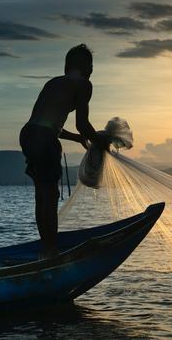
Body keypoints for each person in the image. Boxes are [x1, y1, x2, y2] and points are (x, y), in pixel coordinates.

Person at [19, 44, 107, 259]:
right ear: (87, 67)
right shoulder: (84, 85)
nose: (92, 70)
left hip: (29, 135)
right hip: (44, 138)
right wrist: (100, 141)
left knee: (43, 194)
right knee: (50, 195)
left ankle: (47, 248)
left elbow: (47, 123)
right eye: (91, 66)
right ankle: (51, 251)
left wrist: (76, 139)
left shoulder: (54, 82)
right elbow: (83, 124)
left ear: (67, 66)